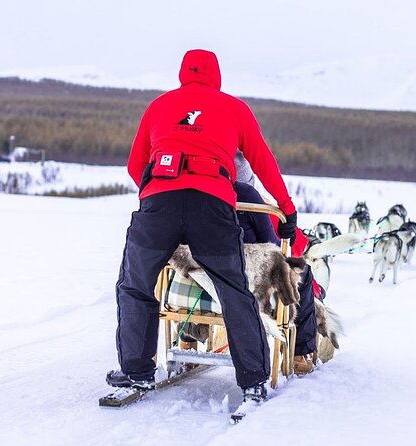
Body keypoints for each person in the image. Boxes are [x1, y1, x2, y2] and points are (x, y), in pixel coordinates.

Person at [106, 49, 297, 404]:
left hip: (159, 205)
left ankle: (137, 371)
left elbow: (135, 164)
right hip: (212, 205)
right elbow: (263, 162)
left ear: (183, 73)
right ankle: (253, 380)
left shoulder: (159, 106)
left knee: (135, 284)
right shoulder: (235, 108)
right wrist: (287, 210)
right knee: (234, 289)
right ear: (216, 75)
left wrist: (152, 195)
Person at [233, 152, 317, 374]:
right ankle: (300, 352)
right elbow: (270, 242)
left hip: (200, 266)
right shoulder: (248, 195)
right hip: (250, 274)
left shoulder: (196, 193)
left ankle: (187, 340)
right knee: (304, 275)